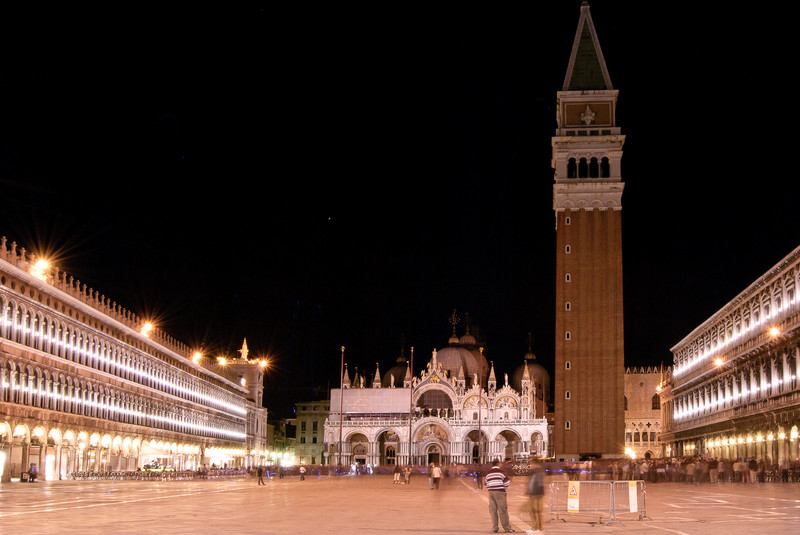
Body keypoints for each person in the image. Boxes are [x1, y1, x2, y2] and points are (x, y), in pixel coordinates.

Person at [485, 459, 515, 533]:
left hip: (491, 493)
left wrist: (491, 488)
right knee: (502, 510)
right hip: (499, 492)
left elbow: (486, 484)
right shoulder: (501, 472)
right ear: (498, 464)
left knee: (493, 510)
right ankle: (507, 528)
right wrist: (503, 488)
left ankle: (495, 527)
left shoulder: (488, 473)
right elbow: (507, 482)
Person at [526, 461, 545, 534]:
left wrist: (531, 492)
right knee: (538, 512)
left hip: (535, 494)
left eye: (531, 464)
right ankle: (540, 528)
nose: (530, 465)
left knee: (533, 511)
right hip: (538, 494)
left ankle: (535, 528)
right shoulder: (538, 472)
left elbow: (537, 484)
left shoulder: (536, 472)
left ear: (535, 464)